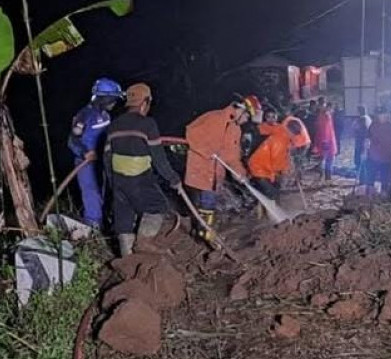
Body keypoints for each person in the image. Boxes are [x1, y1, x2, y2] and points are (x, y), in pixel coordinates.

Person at [104, 83, 182, 256]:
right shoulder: (147, 124)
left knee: (124, 215)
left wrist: (113, 183)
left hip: (118, 180)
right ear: (144, 103)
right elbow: (159, 159)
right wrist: (173, 179)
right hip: (138, 178)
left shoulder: (113, 126)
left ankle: (127, 257)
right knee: (158, 205)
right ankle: (144, 242)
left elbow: (106, 158)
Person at [184, 98, 249, 228]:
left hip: (214, 176)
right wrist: (208, 152)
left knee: (209, 206)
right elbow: (191, 133)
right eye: (247, 116)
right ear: (241, 109)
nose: (246, 120)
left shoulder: (236, 130)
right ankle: (201, 232)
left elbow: (232, 156)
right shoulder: (214, 117)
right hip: (199, 172)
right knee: (199, 206)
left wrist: (239, 172)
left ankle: (205, 232)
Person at [68, 78, 124, 230]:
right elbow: (72, 140)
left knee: (107, 191)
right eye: (112, 99)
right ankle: (93, 227)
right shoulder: (84, 115)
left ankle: (108, 223)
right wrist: (85, 152)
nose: (114, 103)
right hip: (86, 163)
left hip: (104, 160)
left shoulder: (106, 115)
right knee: (91, 193)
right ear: (102, 98)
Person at [248, 119, 304, 202]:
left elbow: (284, 157)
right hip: (259, 168)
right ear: (293, 133)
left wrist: (289, 166)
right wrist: (286, 171)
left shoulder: (280, 130)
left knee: (274, 189)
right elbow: (277, 163)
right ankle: (267, 212)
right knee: (272, 194)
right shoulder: (281, 140)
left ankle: (263, 210)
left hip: (262, 165)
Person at [363, 107, 391, 196]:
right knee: (370, 176)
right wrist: (365, 151)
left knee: (385, 177)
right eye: (379, 115)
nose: (381, 117)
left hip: (386, 157)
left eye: (383, 114)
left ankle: (384, 193)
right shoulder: (373, 126)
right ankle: (370, 193)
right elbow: (368, 139)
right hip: (373, 156)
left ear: (387, 115)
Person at [282, 109, 311, 183]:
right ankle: (298, 179)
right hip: (304, 142)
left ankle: (298, 180)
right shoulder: (294, 119)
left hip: (299, 144)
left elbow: (293, 133)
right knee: (298, 162)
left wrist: (291, 145)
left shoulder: (286, 122)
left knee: (297, 162)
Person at [312, 102, 337, 182]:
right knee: (328, 158)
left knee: (325, 158)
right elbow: (325, 130)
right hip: (327, 141)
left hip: (325, 141)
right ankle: (326, 176)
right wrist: (325, 141)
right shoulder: (326, 117)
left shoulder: (322, 117)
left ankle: (324, 176)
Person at [352, 106, 372, 172]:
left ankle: (360, 172)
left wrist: (355, 128)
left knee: (359, 158)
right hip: (366, 140)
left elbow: (359, 129)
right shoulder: (368, 118)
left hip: (361, 141)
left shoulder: (362, 119)